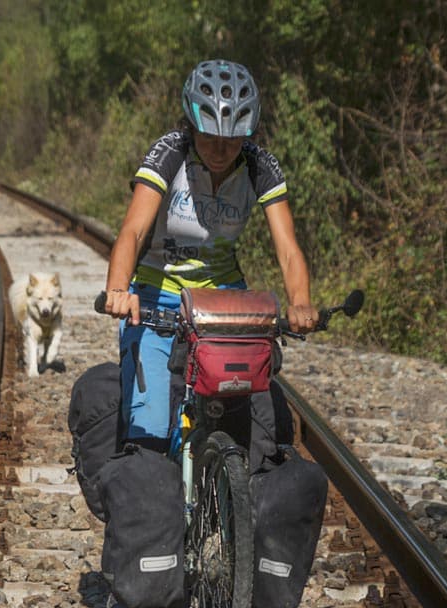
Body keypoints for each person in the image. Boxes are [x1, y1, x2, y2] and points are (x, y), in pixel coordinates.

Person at [102, 59, 318, 451]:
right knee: (150, 426)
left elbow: (288, 250)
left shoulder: (260, 166)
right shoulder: (170, 153)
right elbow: (132, 232)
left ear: (247, 134)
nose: (220, 150)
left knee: (246, 421)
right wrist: (118, 289)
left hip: (222, 298)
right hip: (158, 292)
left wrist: (300, 302)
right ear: (191, 127)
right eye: (209, 138)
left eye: (231, 140)